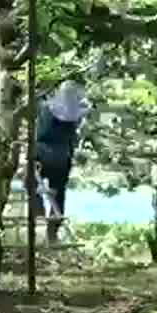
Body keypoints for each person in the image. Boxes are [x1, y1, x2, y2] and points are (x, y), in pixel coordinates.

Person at [32, 80, 91, 244]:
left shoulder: (45, 108)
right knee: (58, 194)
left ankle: (37, 208)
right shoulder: (74, 117)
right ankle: (52, 232)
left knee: (30, 180)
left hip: (42, 155)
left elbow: (38, 109)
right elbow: (75, 135)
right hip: (62, 159)